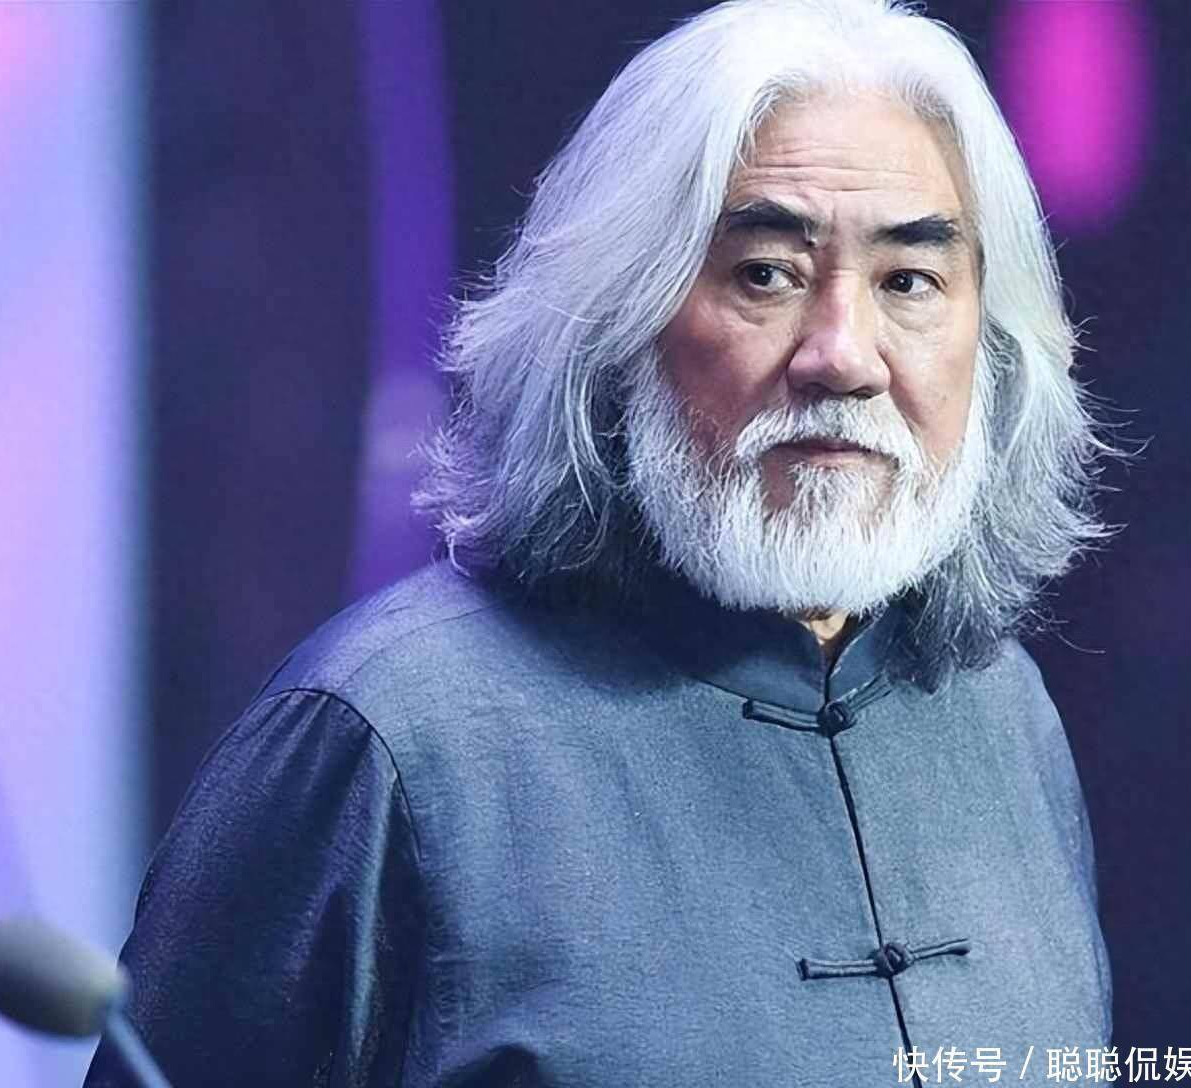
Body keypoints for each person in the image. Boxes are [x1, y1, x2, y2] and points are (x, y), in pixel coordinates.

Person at [87, 0, 1119, 1084]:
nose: (842, 355)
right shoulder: (384, 734)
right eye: (764, 273)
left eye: (909, 282)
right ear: (615, 319)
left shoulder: (1003, 711)